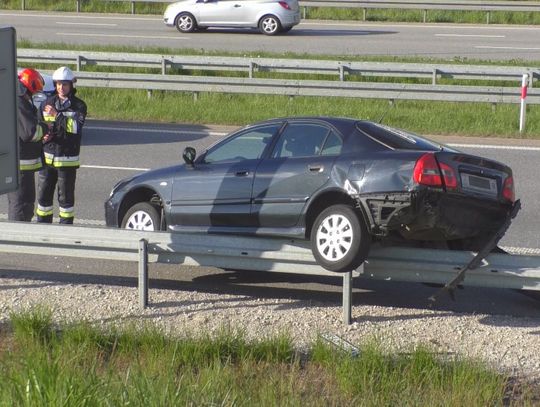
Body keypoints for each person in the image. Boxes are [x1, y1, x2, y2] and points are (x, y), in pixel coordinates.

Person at [36, 66, 87, 224]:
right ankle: (42, 229)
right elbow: (38, 125)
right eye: (58, 84)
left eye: (64, 84)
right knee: (43, 198)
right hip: (47, 159)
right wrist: (42, 136)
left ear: (71, 85)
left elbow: (75, 128)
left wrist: (57, 116)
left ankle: (65, 231)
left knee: (65, 200)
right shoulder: (46, 103)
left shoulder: (79, 106)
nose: (61, 87)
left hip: (67, 160)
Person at [8, 68, 48, 222]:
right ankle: (16, 239)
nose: (32, 96)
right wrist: (45, 127)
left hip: (23, 167)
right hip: (20, 167)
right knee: (20, 205)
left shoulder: (18, 100)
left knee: (25, 203)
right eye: (33, 92)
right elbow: (30, 133)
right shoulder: (19, 103)